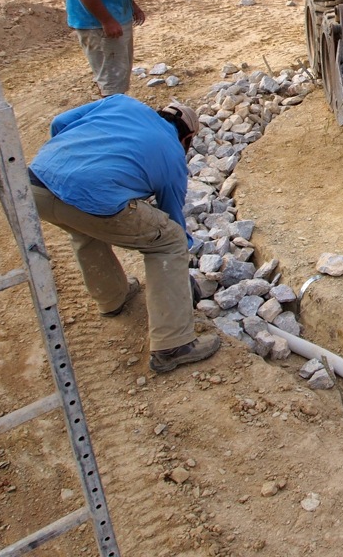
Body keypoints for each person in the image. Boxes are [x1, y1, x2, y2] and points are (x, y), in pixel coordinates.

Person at [29, 95, 220, 374]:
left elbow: (59, 122)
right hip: (86, 195)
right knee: (168, 242)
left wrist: (69, 163)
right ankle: (172, 346)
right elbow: (172, 220)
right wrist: (181, 271)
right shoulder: (172, 154)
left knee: (85, 228)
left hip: (35, 186)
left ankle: (112, 299)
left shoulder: (122, 103)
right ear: (187, 137)